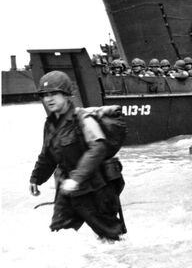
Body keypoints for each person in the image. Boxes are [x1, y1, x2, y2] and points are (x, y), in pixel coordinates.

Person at [29, 71, 126, 241]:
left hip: (96, 188)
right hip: (67, 189)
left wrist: (76, 179)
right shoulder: (50, 123)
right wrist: (36, 179)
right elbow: (47, 155)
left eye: (54, 94)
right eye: (44, 95)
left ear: (66, 95)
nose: (48, 99)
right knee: (59, 235)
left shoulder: (83, 118)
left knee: (111, 238)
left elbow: (98, 148)